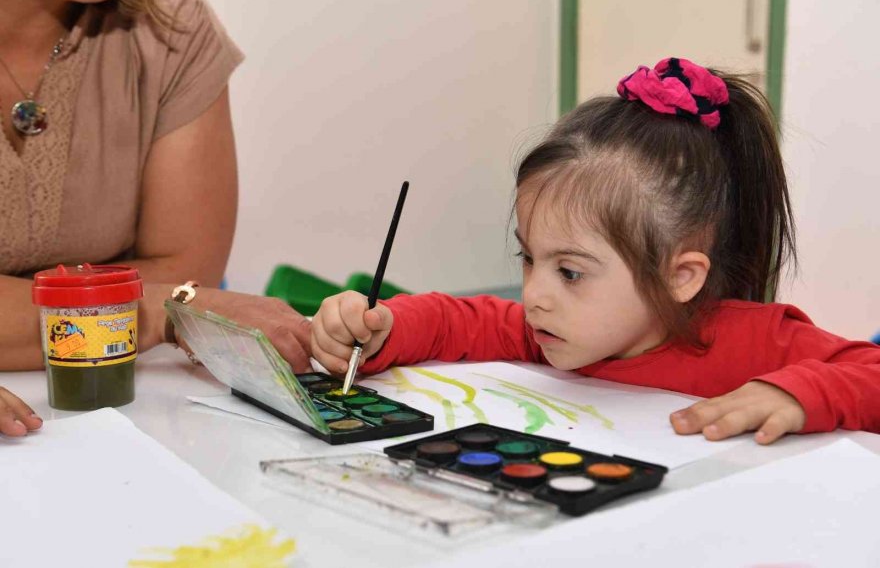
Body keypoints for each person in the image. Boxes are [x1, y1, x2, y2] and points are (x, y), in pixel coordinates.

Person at [311, 57, 880, 445]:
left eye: (571, 272)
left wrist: (795, 392)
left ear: (681, 276)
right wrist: (382, 324)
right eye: (529, 259)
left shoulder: (753, 340)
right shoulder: (551, 330)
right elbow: (456, 322)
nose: (534, 295)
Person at [0, 0, 311, 437]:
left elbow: (187, 265)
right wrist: (162, 307)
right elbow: (179, 288)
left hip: (114, 419)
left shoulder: (169, 23)